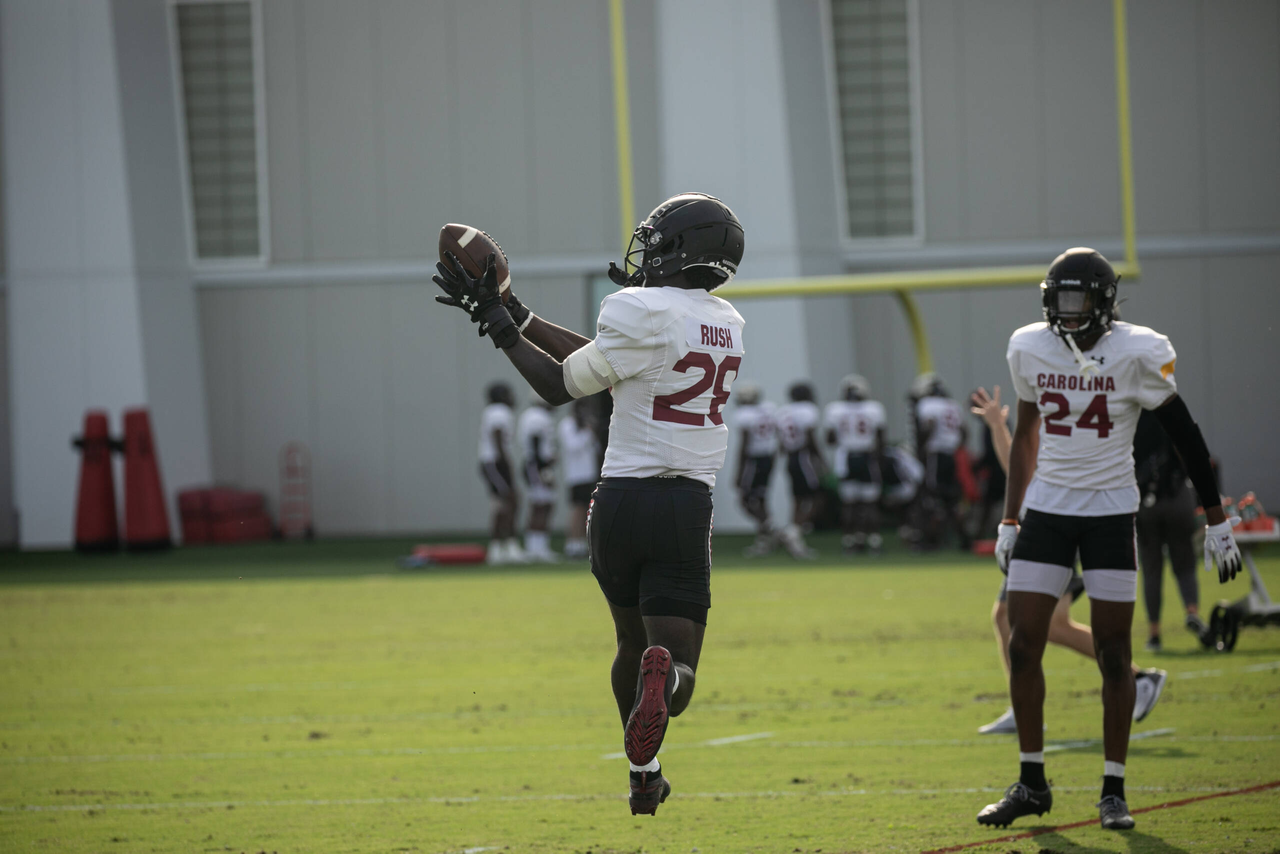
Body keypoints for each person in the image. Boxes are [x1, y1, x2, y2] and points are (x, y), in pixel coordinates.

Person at [433, 191, 745, 816]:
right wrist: (514, 310)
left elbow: (560, 383)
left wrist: (496, 319)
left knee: (629, 647)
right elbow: (604, 366)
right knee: (676, 666)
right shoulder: (727, 321)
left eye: (657, 240)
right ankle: (666, 681)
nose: (647, 251)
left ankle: (643, 773)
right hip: (683, 505)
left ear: (683, 250)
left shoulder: (635, 309)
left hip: (617, 504)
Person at [978, 248, 1242, 831]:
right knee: (1023, 644)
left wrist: (1216, 516)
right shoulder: (1030, 345)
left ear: (1102, 301)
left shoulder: (1138, 350)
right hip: (1046, 508)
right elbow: (1025, 435)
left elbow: (1185, 434)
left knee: (1114, 652)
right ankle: (1032, 782)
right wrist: (1009, 518)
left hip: (1108, 511)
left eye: (1079, 301)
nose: (1068, 313)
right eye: (1060, 300)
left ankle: (1114, 789)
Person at [970, 385, 1168, 736]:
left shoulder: (1063, 426)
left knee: (1034, 622)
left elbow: (1023, 467)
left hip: (1052, 531)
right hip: (1045, 527)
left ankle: (1136, 678)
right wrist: (997, 426)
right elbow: (1017, 466)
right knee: (1018, 619)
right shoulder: (1055, 419)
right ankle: (1026, 705)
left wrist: (998, 428)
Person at [1133, 409, 1206, 650]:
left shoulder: (1131, 417)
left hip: (1145, 502)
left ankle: (1154, 634)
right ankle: (1192, 611)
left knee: (1152, 570)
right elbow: (1193, 452)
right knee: (1184, 562)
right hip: (1177, 498)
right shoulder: (1171, 411)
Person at [824, 374, 886, 554]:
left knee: (849, 504)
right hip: (867, 457)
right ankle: (874, 542)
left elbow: (830, 439)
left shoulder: (834, 409)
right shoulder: (874, 409)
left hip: (847, 458)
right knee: (870, 503)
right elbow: (881, 438)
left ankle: (850, 542)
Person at [913, 373, 967, 549]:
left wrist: (921, 449)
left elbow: (928, 426)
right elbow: (964, 432)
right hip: (951, 455)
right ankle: (964, 537)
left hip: (935, 455)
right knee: (952, 499)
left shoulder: (927, 404)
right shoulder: (952, 405)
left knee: (932, 498)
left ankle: (931, 540)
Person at [477, 382, 526, 564]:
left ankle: (499, 549)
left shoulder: (492, 411)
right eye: (509, 393)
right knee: (511, 502)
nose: (512, 397)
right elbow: (497, 436)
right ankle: (507, 548)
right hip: (495, 463)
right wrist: (506, 463)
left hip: (492, 462)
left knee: (502, 505)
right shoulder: (500, 411)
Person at [776, 382, 823, 559]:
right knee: (817, 497)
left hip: (790, 458)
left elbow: (780, 441)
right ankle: (793, 532)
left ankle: (795, 540)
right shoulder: (808, 410)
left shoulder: (783, 412)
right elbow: (811, 438)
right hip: (804, 457)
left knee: (797, 498)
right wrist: (821, 461)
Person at [732, 384, 779, 557]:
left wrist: (738, 471)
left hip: (753, 460)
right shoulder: (769, 409)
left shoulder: (744, 414)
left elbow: (744, 446)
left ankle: (771, 529)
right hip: (768, 458)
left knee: (745, 499)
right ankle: (765, 539)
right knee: (761, 498)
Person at [558, 397, 600, 560]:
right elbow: (573, 446)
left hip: (588, 474)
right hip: (576, 475)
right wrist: (588, 432)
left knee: (586, 509)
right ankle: (571, 543)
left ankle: (580, 543)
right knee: (577, 509)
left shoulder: (584, 426)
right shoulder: (567, 425)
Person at [518, 397, 559, 562]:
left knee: (545, 504)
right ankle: (535, 549)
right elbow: (535, 442)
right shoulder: (537, 416)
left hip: (537, 464)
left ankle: (539, 547)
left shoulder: (535, 415)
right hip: (536, 466)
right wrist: (543, 468)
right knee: (540, 505)